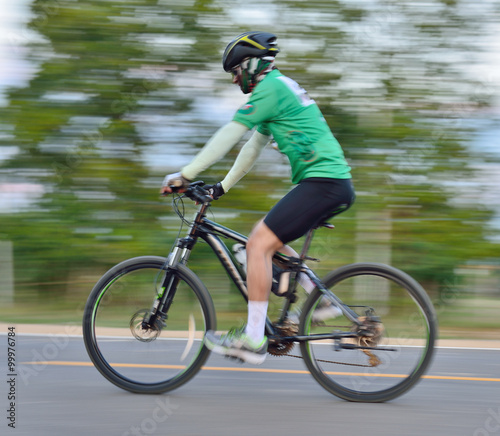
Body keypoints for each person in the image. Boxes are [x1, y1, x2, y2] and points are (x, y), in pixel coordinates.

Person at [161, 31, 355, 365]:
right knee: (266, 238)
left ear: (251, 64)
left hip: (324, 183)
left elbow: (230, 133)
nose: (235, 79)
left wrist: (186, 174)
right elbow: (252, 147)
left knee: (257, 245)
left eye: (236, 71)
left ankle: (253, 338)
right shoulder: (278, 89)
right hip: (327, 183)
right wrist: (222, 186)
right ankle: (323, 302)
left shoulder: (271, 89)